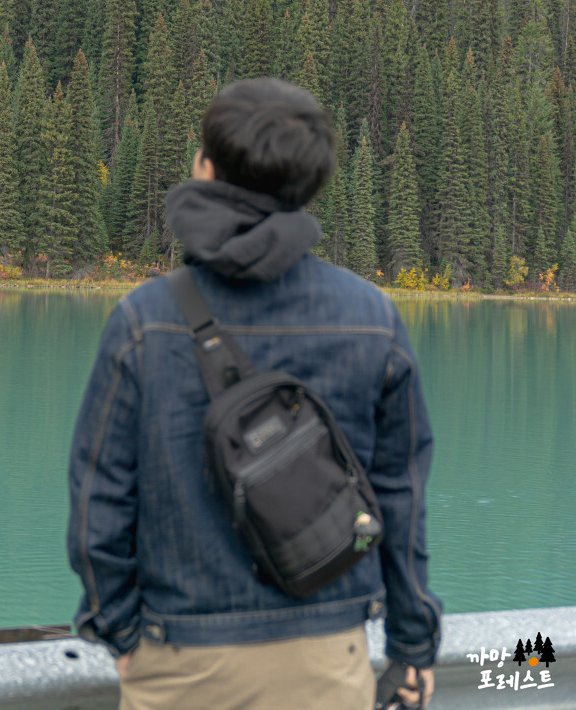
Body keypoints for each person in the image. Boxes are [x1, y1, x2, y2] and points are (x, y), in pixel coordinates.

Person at [67, 78, 441, 709]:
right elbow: (399, 504)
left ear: (206, 168)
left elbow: (97, 509)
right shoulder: (373, 318)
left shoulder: (144, 321)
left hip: (180, 666)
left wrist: (122, 635)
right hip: (329, 662)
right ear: (307, 185)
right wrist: (411, 647)